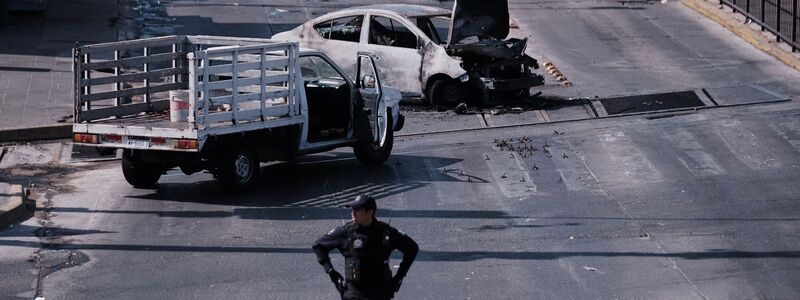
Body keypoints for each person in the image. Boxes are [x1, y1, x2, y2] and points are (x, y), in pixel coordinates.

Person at [313, 194, 418, 299]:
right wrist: (332, 272)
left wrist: (399, 276)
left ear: (370, 212)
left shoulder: (386, 232)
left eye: (357, 210)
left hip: (381, 294)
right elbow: (318, 245)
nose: (353, 213)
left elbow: (412, 248)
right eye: (352, 209)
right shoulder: (346, 232)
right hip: (355, 294)